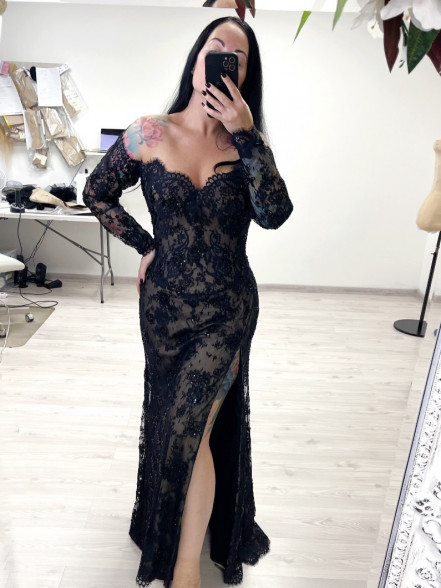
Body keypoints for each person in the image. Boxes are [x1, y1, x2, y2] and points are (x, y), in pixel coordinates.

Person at [83, 16, 293, 588]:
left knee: (189, 428)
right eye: (214, 47)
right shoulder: (149, 132)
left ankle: (183, 570)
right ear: (197, 59)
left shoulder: (248, 146)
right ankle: (173, 531)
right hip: (164, 311)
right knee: (178, 423)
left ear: (243, 78)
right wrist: (144, 244)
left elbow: (275, 214)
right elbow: (96, 192)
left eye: (237, 58)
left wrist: (246, 134)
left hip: (228, 310)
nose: (223, 59)